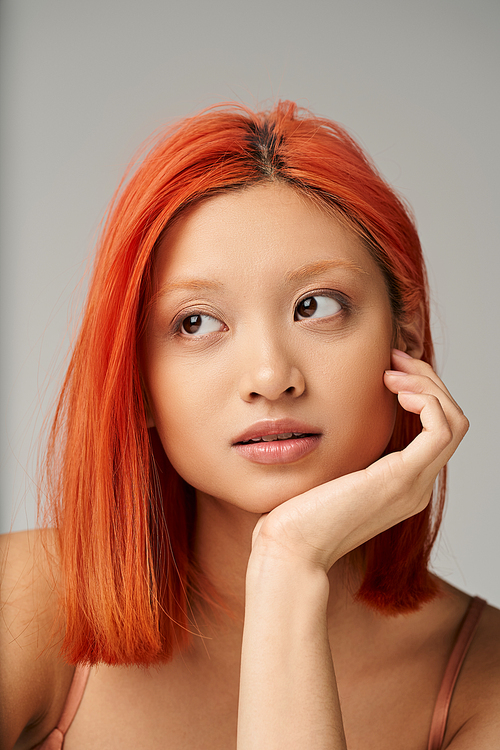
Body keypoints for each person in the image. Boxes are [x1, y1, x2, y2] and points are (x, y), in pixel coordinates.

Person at [1, 101, 499, 750]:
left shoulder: (479, 681)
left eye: (315, 306)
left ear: (404, 334)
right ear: (139, 382)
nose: (270, 375)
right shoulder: (24, 604)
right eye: (196, 322)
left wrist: (288, 568)